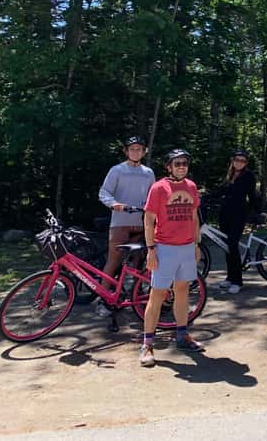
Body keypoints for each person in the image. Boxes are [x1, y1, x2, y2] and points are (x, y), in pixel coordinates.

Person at [139, 149, 204, 367]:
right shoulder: (159, 188)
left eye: (185, 163)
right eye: (177, 163)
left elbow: (194, 218)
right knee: (157, 295)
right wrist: (151, 249)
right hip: (164, 247)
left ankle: (182, 335)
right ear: (169, 166)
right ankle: (148, 344)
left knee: (183, 291)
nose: (182, 167)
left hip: (186, 247)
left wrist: (196, 245)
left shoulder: (191, 187)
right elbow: (148, 220)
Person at [96, 135, 155, 317]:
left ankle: (135, 297)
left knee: (138, 263)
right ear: (126, 151)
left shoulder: (148, 172)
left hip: (141, 223)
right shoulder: (117, 170)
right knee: (113, 261)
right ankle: (103, 299)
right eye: (132, 149)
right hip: (120, 222)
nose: (136, 152)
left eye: (139, 149)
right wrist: (114, 204)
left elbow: (153, 196)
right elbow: (104, 192)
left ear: (144, 152)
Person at [216, 149, 259, 294]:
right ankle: (230, 277)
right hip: (225, 215)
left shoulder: (248, 176)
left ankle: (238, 281)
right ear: (232, 160)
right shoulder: (230, 174)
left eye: (243, 160)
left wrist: (257, 213)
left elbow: (253, 196)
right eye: (237, 160)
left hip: (238, 215)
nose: (239, 163)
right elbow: (221, 191)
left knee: (232, 246)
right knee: (226, 247)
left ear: (246, 163)